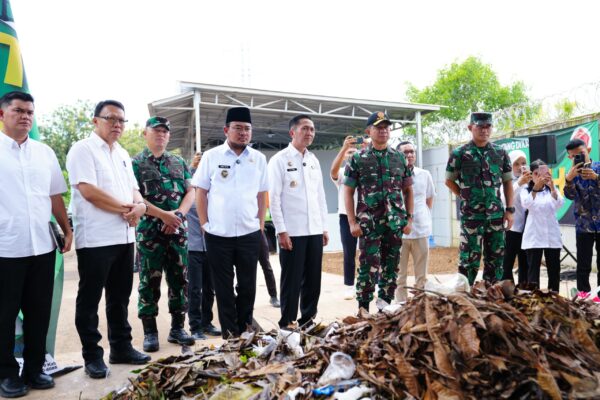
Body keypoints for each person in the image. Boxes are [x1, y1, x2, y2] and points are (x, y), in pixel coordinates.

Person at [66, 100, 150, 379]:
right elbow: (89, 191)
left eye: (121, 120)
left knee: (120, 298)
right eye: (111, 118)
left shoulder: (123, 153)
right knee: (89, 300)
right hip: (96, 239)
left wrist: (140, 206)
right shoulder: (83, 149)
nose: (117, 124)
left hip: (124, 236)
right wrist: (129, 210)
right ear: (95, 121)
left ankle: (121, 348)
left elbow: (134, 190)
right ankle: (92, 356)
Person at [0, 91, 71, 398]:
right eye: (18, 110)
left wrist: (67, 229)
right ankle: (6, 374)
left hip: (42, 246)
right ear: (2, 114)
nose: (25, 116)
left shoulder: (44, 153)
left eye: (29, 112)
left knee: (38, 312)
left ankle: (34, 369)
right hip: (5, 248)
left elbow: (55, 195)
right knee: (3, 316)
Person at [192, 107, 268, 338]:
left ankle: (245, 331)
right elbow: (201, 192)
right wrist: (204, 225)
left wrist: (260, 225)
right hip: (218, 235)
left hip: (249, 233)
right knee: (222, 287)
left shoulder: (258, 159)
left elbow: (262, 194)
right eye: (238, 128)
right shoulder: (211, 156)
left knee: (247, 286)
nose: (243, 133)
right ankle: (230, 335)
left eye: (247, 129)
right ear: (226, 130)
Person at [132, 117, 195, 352]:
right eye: (156, 130)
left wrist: (177, 216)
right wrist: (163, 216)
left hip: (177, 231)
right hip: (150, 233)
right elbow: (135, 197)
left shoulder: (178, 161)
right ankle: (150, 332)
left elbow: (190, 192)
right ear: (145, 133)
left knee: (180, 280)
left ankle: (178, 328)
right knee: (149, 281)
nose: (161, 134)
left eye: (165, 131)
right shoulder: (135, 163)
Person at [344, 111, 414, 312]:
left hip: (394, 223)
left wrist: (409, 219)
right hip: (370, 224)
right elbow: (348, 191)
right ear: (369, 131)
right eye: (379, 127)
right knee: (368, 266)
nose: (383, 131)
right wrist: (352, 222)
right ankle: (363, 310)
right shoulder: (358, 159)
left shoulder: (399, 158)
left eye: (386, 127)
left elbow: (408, 190)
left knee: (391, 267)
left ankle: (385, 308)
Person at [269, 115, 329, 329]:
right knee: (291, 281)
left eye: (312, 129)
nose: (309, 133)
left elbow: (320, 196)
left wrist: (324, 227)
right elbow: (273, 198)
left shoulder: (313, 160)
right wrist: (281, 230)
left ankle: (308, 321)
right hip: (292, 232)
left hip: (314, 230)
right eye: (304, 128)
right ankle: (287, 322)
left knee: (313, 280)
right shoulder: (279, 160)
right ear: (292, 132)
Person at [445, 112, 514, 285]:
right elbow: (449, 180)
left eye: (488, 126)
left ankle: (492, 294)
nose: (484, 130)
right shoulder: (460, 153)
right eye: (480, 126)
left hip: (495, 216)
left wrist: (510, 210)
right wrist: (465, 196)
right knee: (468, 260)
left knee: (496, 259)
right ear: (470, 128)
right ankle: (464, 296)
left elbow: (507, 182)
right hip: (471, 217)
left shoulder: (500, 153)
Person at [395, 141, 435, 303]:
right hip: (399, 232)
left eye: (412, 151)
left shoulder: (425, 174)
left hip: (421, 230)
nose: (410, 155)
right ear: (398, 155)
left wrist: (423, 216)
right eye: (405, 152)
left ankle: (420, 304)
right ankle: (400, 304)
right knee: (399, 275)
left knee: (421, 275)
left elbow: (429, 198)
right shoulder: (392, 175)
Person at [186, 151, 221, 339]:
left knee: (210, 287)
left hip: (212, 245)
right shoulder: (189, 187)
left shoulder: (216, 186)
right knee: (195, 288)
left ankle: (207, 322)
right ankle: (195, 326)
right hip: (193, 246)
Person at [564, 138, 600, 301]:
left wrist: (596, 178)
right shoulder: (571, 174)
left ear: (589, 150)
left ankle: (599, 295)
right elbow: (570, 195)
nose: (577, 158)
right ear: (569, 157)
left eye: (581, 153)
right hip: (583, 225)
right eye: (573, 156)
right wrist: (569, 180)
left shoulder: (598, 167)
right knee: (583, 263)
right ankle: (583, 293)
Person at [520, 160, 563, 291]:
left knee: (554, 270)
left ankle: (554, 297)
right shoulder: (526, 190)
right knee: (533, 271)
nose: (539, 176)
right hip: (534, 235)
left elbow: (559, 204)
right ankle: (534, 298)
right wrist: (535, 189)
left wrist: (552, 188)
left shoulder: (552, 190)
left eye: (543, 172)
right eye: (536, 173)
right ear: (531, 175)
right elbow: (526, 204)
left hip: (551, 234)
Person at [330, 136, 359, 300]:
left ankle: (373, 282)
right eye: (349, 152)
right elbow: (333, 172)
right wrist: (343, 148)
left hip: (365, 215)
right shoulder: (342, 172)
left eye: (354, 152)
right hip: (346, 217)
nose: (351, 155)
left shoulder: (364, 170)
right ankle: (349, 285)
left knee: (371, 252)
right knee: (349, 252)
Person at [501, 149, 531, 285]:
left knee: (525, 262)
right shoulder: (506, 181)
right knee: (507, 262)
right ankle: (508, 290)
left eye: (523, 163)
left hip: (527, 229)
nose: (520, 167)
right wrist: (519, 183)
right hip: (511, 228)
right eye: (516, 164)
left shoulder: (529, 181)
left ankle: (524, 289)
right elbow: (503, 198)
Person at [258, 229, 281, 308]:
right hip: (245, 235)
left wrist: (260, 230)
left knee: (266, 266)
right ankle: (245, 299)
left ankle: (273, 296)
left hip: (259, 232)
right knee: (246, 268)